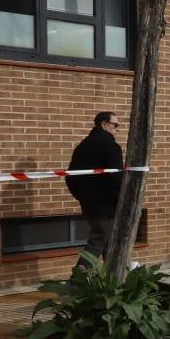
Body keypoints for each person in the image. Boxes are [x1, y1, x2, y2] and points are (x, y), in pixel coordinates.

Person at [66, 112, 124, 269]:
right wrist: (118, 199)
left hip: (88, 204)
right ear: (104, 124)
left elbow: (70, 176)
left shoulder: (82, 146)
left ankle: (114, 279)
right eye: (115, 125)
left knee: (109, 242)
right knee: (98, 241)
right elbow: (116, 178)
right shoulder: (111, 147)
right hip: (107, 205)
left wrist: (81, 196)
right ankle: (77, 280)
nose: (117, 129)